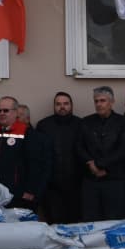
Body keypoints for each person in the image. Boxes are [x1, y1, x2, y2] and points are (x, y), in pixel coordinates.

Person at [76, 86, 125, 220]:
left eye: (103, 101)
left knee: (114, 220)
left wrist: (102, 165)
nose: (99, 104)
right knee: (91, 219)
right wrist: (91, 164)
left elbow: (124, 149)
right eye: (96, 101)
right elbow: (79, 147)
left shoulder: (122, 122)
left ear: (111, 102)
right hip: (91, 180)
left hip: (114, 179)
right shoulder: (86, 122)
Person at [0, 97, 49, 212]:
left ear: (15, 112)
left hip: (19, 194)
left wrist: (30, 190)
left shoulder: (27, 133)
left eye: (6, 110)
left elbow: (35, 164)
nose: (1, 113)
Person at [37, 92, 83, 224]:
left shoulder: (80, 124)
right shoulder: (43, 125)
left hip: (76, 184)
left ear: (71, 105)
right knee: (54, 223)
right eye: (58, 104)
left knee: (74, 222)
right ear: (54, 106)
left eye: (65, 104)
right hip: (51, 186)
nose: (62, 107)